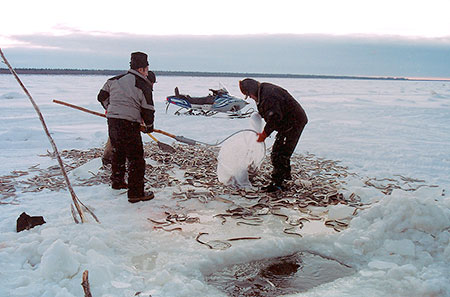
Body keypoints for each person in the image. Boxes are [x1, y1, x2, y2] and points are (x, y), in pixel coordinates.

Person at [97, 52, 155, 203]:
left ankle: (117, 182)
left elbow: (101, 97)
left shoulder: (114, 80)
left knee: (118, 151)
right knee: (136, 158)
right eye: (147, 69)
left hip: (113, 121)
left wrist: (110, 108)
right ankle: (136, 193)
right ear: (142, 69)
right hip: (129, 123)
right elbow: (148, 109)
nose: (147, 72)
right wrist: (149, 126)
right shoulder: (143, 84)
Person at [239, 78, 308, 192]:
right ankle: (285, 177)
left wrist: (264, 134)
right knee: (280, 150)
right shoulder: (263, 91)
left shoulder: (268, 96)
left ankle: (278, 184)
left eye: (249, 95)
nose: (250, 97)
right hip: (287, 121)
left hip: (294, 122)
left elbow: (274, 117)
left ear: (253, 90)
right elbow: (271, 111)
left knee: (279, 153)